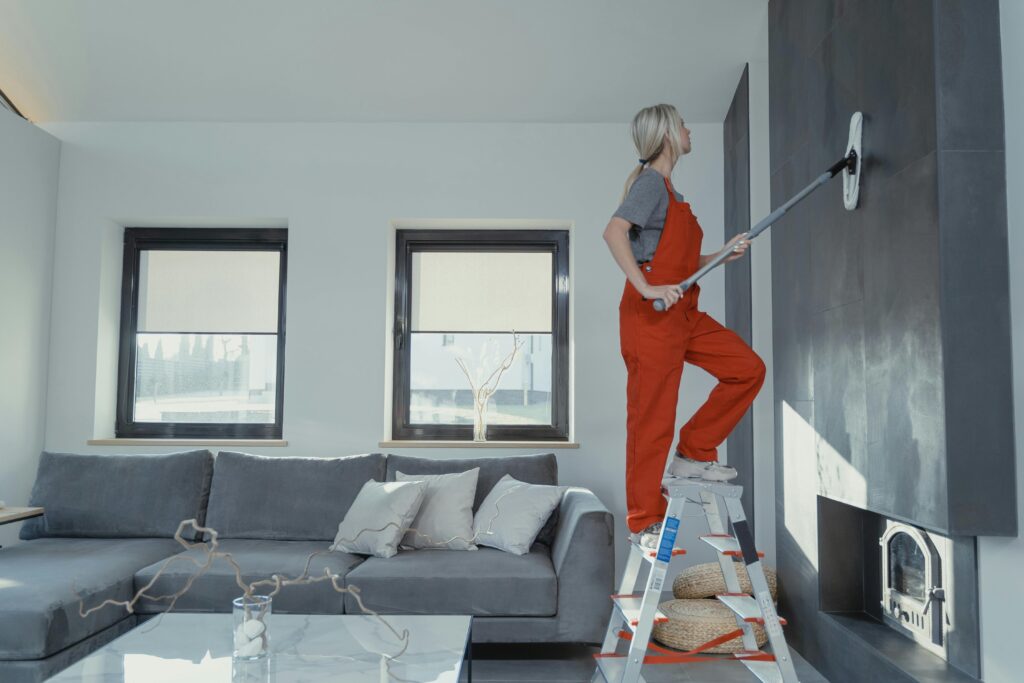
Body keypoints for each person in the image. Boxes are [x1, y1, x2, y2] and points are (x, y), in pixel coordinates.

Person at [602, 103, 766, 550]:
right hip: (651, 318)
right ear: (670, 134)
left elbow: (680, 264)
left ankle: (694, 451)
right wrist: (648, 288)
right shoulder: (651, 183)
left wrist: (721, 255)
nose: (690, 130)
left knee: (747, 368)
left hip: (683, 313)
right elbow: (614, 232)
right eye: (684, 125)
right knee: (651, 419)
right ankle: (644, 522)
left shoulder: (671, 194)